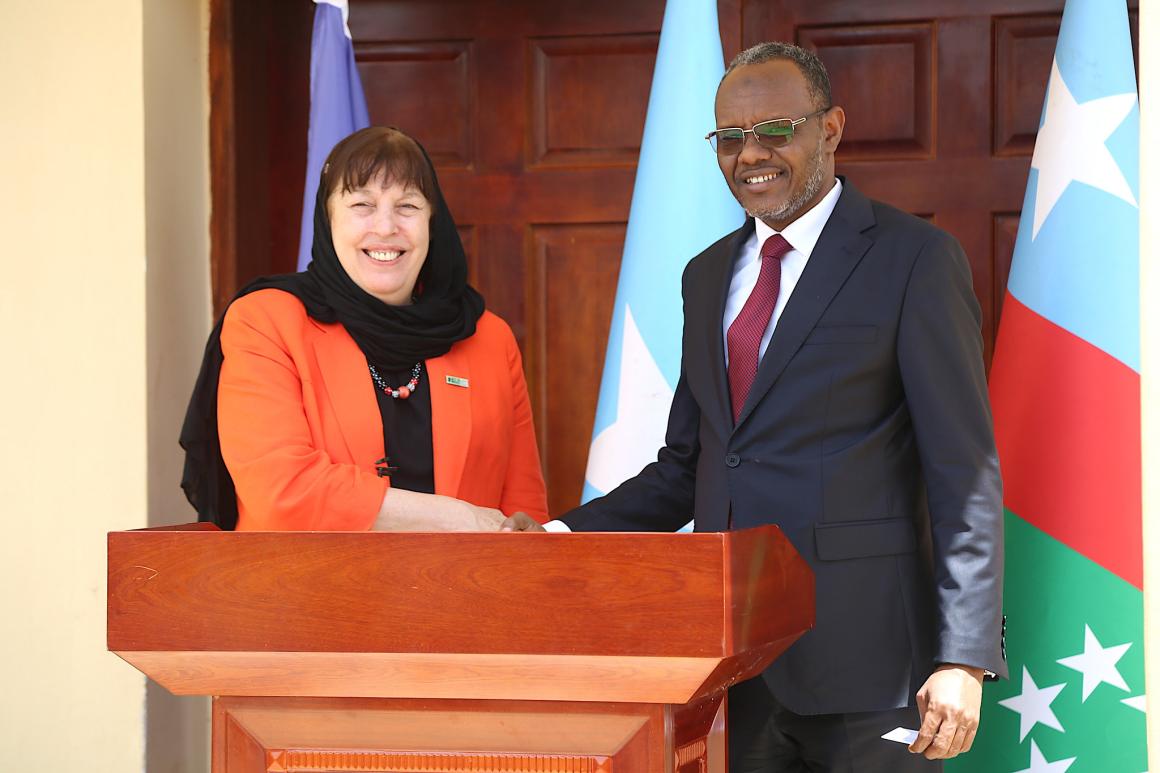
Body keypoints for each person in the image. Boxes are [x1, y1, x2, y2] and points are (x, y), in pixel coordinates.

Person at [503, 43, 1005, 771]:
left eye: (774, 128)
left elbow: (964, 471)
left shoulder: (915, 259)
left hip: (871, 667)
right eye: (730, 137)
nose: (750, 154)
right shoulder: (706, 276)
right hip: (733, 669)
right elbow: (690, 465)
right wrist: (556, 533)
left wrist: (964, 655)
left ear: (830, 128)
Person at [181, 126, 548, 532]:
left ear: (433, 221)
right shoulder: (266, 321)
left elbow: (524, 514)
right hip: (304, 592)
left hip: (461, 593)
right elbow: (282, 492)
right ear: (328, 217)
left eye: (407, 205)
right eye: (362, 204)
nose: (386, 227)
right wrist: (460, 518)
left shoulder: (488, 338)